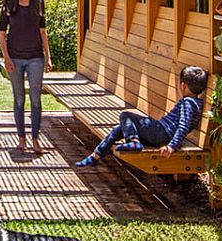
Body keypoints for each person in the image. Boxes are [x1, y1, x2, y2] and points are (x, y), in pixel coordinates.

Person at [76, 65, 209, 167]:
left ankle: (134, 142)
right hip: (162, 134)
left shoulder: (188, 103)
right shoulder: (194, 103)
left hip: (161, 132)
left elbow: (183, 126)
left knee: (126, 115)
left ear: (183, 85)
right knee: (120, 128)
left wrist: (171, 146)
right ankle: (95, 156)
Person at [0, 0, 52, 154]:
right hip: (15, 58)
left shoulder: (39, 2)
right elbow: (2, 34)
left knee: (36, 99)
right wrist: (6, 58)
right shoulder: (9, 3)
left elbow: (42, 31)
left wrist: (48, 56)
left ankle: (36, 139)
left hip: (36, 57)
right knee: (19, 99)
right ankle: (22, 139)